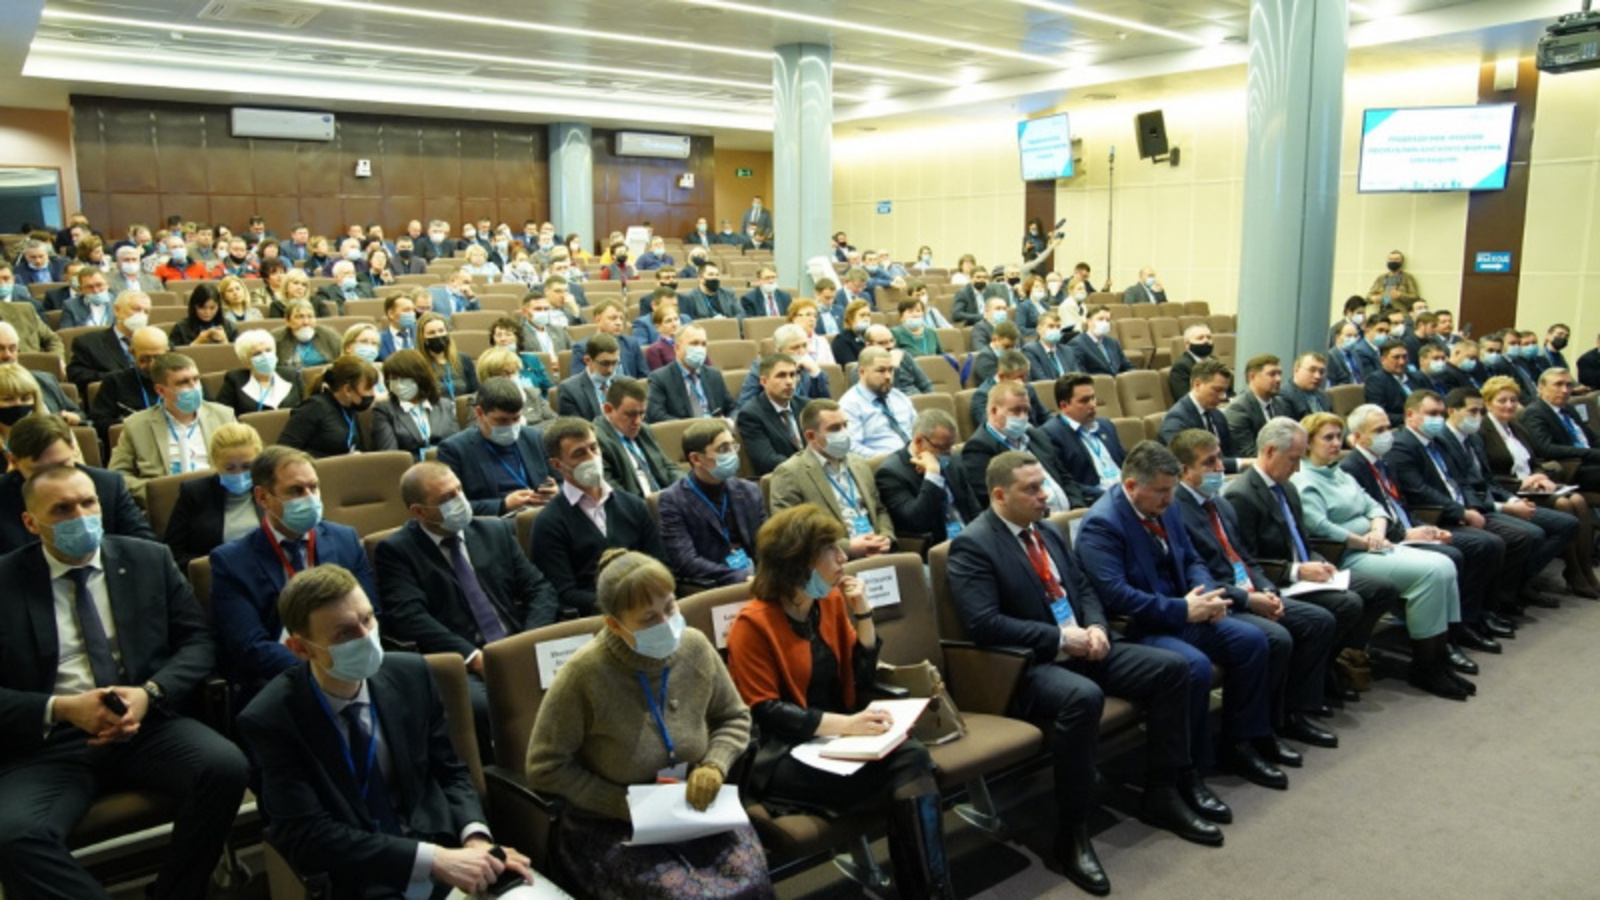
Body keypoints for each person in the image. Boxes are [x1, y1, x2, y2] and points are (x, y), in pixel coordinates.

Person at [949, 451, 1221, 894]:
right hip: (1025, 665)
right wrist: (1060, 639)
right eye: (1031, 489)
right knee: (1083, 697)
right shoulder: (974, 544)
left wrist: (1094, 625)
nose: (1044, 495)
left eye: (1043, 485)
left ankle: (1164, 789)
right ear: (999, 495)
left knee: (1172, 669)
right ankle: (1071, 831)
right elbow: (984, 624)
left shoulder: (1048, 532)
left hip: (1083, 645)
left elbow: (1083, 587)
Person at [0, 465, 251, 900]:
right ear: (30, 522)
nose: (80, 516)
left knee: (225, 767)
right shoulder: (6, 581)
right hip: (51, 742)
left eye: (88, 503)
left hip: (145, 724)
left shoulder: (146, 559)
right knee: (12, 836)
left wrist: (150, 694)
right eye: (62, 509)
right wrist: (61, 708)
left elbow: (196, 642)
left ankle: (176, 892)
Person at [236, 565, 550, 900]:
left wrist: (476, 841)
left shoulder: (411, 674)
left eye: (368, 618)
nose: (365, 636)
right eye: (344, 634)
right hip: (359, 875)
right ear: (301, 649)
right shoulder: (271, 718)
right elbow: (307, 834)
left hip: (445, 847)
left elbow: (451, 772)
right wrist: (433, 860)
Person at [726, 505, 955, 898]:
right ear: (798, 561)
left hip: (833, 739)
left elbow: (861, 676)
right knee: (913, 769)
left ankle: (927, 892)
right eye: (830, 550)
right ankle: (931, 892)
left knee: (911, 768)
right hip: (783, 755)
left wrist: (863, 613)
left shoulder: (828, 603)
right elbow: (766, 711)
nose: (843, 558)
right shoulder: (753, 622)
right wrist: (847, 726)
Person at [527, 550, 770, 899]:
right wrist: (621, 803)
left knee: (751, 880)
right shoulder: (584, 674)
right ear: (615, 625)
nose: (666, 623)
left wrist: (715, 765)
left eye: (670, 608)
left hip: (693, 803)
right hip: (612, 822)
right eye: (648, 618)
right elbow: (545, 767)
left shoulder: (695, 646)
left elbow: (733, 716)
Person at [1077, 441, 1290, 788]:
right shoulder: (1102, 524)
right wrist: (1183, 609)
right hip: (1142, 626)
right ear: (1131, 486)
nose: (1169, 499)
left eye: (1172, 490)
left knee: (1253, 640)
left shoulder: (1167, 507)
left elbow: (1192, 559)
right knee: (1194, 666)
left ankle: (1241, 742)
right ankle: (1190, 770)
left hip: (1186, 609)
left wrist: (1205, 597)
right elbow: (1116, 595)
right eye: (1160, 491)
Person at [1167, 429, 1340, 748]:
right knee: (1275, 638)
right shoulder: (1173, 510)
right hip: (1220, 601)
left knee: (1318, 621)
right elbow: (1195, 575)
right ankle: (1247, 737)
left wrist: (1265, 588)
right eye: (1209, 462)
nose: (1220, 467)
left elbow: (1245, 557)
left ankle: (1291, 714)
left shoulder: (1218, 503)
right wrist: (1249, 597)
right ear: (1183, 470)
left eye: (1219, 457)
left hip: (1249, 591)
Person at [1287, 413, 1472, 699]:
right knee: (1431, 572)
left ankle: (1439, 658)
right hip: (1347, 554)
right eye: (1328, 437)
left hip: (1375, 543)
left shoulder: (1339, 472)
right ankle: (1425, 666)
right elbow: (1321, 527)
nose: (1337, 443)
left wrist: (1377, 529)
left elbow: (1374, 507)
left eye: (1338, 436)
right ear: (1308, 443)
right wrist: (1364, 540)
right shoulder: (1302, 479)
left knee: (1445, 563)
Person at [375, 462, 559, 747]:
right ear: (418, 512)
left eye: (459, 490)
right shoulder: (396, 551)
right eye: (446, 499)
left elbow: (539, 588)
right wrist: (472, 657)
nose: (459, 501)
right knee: (484, 708)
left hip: (520, 642)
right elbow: (410, 617)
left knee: (578, 681)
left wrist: (529, 640)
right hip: (464, 659)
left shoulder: (493, 530)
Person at [1222, 420, 1399, 703]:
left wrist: (1319, 562)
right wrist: (1297, 570)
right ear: (1269, 451)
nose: (1298, 467)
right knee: (1346, 605)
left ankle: (1333, 661)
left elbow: (1302, 541)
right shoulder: (1240, 495)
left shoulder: (1288, 487)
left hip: (1306, 571)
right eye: (1293, 459)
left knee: (1381, 590)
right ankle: (1313, 681)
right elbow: (1246, 559)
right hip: (1279, 580)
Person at [1342, 403, 1515, 649]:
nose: (1387, 434)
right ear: (1358, 437)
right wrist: (1406, 533)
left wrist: (1428, 528)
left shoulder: (1384, 462)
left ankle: (1465, 623)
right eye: (1379, 430)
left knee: (1481, 546)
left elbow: (1402, 505)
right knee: (1456, 554)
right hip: (1388, 539)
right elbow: (1369, 517)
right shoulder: (1352, 468)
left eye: (1388, 428)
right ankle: (1445, 635)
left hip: (1409, 528)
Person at [210, 445, 379, 695]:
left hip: (354, 666)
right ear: (263, 497)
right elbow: (249, 646)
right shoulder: (232, 562)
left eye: (314, 487)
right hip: (281, 684)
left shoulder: (345, 540)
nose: (310, 498)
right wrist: (322, 669)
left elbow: (373, 611)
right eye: (296, 491)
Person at [1388, 389, 1562, 613]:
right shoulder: (1403, 445)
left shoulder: (1437, 441)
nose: (1438, 419)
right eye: (1432, 413)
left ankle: (1492, 606)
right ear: (1410, 415)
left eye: (1441, 414)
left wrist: (1472, 507)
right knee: (1493, 543)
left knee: (1523, 536)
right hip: (1436, 515)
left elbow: (1463, 480)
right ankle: (1475, 614)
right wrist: (1461, 512)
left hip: (1465, 508)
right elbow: (1420, 492)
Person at [1440, 388, 1584, 597]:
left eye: (1481, 412)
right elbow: (1464, 486)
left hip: (1497, 497)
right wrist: (1504, 506)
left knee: (1568, 524)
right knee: (1531, 534)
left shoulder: (1473, 439)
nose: (1478, 417)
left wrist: (1514, 500)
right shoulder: (1444, 441)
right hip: (1476, 507)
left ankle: (1517, 583)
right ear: (1452, 411)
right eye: (1473, 411)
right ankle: (1507, 592)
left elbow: (1486, 480)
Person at [530, 417, 665, 616]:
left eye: (594, 448)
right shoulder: (548, 523)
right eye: (579, 454)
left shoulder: (633, 505)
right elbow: (564, 592)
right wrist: (623, 605)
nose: (591, 458)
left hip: (650, 604)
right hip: (596, 617)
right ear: (557, 465)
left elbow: (661, 563)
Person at [1479, 375, 1600, 593]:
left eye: (1513, 400)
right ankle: (1574, 572)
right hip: (1509, 490)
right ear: (1488, 402)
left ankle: (1584, 571)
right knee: (1564, 504)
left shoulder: (1515, 427)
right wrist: (1522, 482)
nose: (1509, 405)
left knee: (1577, 500)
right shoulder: (1482, 431)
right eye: (1502, 400)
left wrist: (1540, 476)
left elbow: (1536, 461)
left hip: (1534, 486)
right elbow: (1486, 475)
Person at [0, 414, 155, 554]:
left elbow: (144, 544)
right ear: (13, 461)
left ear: (73, 449)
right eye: (40, 472)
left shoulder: (108, 484)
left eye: (62, 465)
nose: (56, 478)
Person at [769, 399, 896, 559]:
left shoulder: (859, 463)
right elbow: (791, 534)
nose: (844, 433)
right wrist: (848, 547)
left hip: (879, 553)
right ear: (811, 436)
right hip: (833, 562)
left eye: (845, 425)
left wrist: (885, 538)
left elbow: (879, 509)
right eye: (835, 428)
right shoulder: (789, 473)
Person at [107, 352, 236, 503]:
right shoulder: (136, 425)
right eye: (183, 382)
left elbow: (248, 460)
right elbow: (118, 475)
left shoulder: (223, 415)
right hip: (167, 503)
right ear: (161, 391)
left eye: (196, 379)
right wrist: (157, 491)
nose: (193, 387)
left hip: (217, 496)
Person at [658, 420, 767, 591]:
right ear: (696, 459)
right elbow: (687, 562)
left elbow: (768, 542)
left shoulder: (749, 490)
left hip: (759, 579)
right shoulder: (673, 501)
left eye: (733, 446)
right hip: (713, 586)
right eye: (723, 449)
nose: (732, 454)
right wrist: (740, 578)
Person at [437, 377, 559, 516]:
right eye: (501, 420)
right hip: (496, 524)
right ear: (479, 413)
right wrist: (503, 505)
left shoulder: (535, 438)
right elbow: (453, 506)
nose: (510, 426)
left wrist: (557, 492)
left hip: (542, 515)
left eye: (516, 419)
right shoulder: (454, 449)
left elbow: (563, 482)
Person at [162, 422, 262, 570]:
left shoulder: (271, 488)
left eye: (247, 467)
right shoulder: (194, 493)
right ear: (215, 462)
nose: (238, 474)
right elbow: (174, 553)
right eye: (229, 468)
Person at [873, 407, 972, 547]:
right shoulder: (891, 474)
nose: (949, 453)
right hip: (934, 548)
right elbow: (916, 522)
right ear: (919, 441)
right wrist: (932, 475)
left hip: (969, 539)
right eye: (943, 448)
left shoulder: (953, 459)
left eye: (951, 446)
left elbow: (974, 508)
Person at [1041, 372, 1127, 503]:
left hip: (1127, 492)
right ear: (1064, 406)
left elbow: (1125, 462)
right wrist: (1110, 495)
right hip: (1097, 501)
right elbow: (1066, 484)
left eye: (1093, 398)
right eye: (1084, 400)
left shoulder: (1106, 426)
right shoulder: (1050, 434)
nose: (1093, 405)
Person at [592, 377, 680, 497]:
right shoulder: (596, 441)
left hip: (666, 502)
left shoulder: (644, 430)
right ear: (608, 409)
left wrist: (686, 490)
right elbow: (615, 493)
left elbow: (668, 467)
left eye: (642, 413)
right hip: (638, 509)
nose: (638, 421)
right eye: (630, 414)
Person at [1518, 367, 1600, 491]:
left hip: (1590, 462)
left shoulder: (1568, 409)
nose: (1565, 390)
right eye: (1558, 384)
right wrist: (1592, 453)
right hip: (1570, 467)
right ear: (1541, 387)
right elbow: (1546, 448)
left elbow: (1592, 439)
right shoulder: (1534, 412)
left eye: (1569, 385)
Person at [280, 355, 378, 458]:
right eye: (368, 389)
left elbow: (357, 446)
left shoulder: (350, 408)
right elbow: (284, 452)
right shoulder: (314, 407)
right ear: (348, 390)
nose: (372, 394)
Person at [1159, 358, 1247, 472]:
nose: (1223, 397)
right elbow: (1193, 462)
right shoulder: (1176, 419)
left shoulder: (1218, 415)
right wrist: (1244, 463)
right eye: (1217, 390)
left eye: (1225, 391)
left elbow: (1231, 452)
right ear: (1197, 384)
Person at [372, 349, 459, 459]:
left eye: (403, 378)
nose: (398, 385)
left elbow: (456, 447)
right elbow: (391, 457)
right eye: (393, 379)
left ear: (420, 377)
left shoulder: (445, 405)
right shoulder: (384, 411)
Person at [737, 353, 808, 478]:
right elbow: (766, 459)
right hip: (782, 480)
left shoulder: (806, 406)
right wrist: (807, 468)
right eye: (781, 376)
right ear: (764, 381)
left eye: (793, 375)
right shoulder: (750, 414)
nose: (789, 382)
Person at [645, 324, 732, 422]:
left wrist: (729, 421)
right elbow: (656, 415)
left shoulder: (714, 375)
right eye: (694, 343)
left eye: (703, 344)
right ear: (677, 348)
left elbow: (732, 408)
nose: (700, 349)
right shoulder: (660, 378)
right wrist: (690, 427)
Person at [838, 346, 915, 457]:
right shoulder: (850, 404)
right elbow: (852, 447)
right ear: (862, 372)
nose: (888, 376)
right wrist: (887, 460)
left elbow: (917, 430)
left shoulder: (898, 396)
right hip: (882, 466)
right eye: (881, 371)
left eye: (890, 370)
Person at [67, 289, 151, 389]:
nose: (141, 315)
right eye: (136, 309)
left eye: (146, 312)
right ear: (117, 310)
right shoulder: (88, 343)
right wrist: (122, 377)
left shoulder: (157, 341)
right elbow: (77, 376)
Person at [0, 326, 83, 424]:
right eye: (0, 349)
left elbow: (80, 415)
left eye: (12, 348)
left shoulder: (45, 380)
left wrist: (72, 418)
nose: (7, 355)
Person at [737, 324, 831, 406]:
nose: (802, 352)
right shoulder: (760, 368)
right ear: (779, 351)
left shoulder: (810, 368)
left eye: (804, 346)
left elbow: (825, 406)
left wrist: (815, 373)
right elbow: (745, 403)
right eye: (795, 348)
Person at [217, 328, 302, 417]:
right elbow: (222, 415)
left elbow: (308, 408)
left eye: (268, 350)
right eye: (257, 354)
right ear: (246, 361)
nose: (265, 356)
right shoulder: (234, 380)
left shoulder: (292, 376)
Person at [476, 346, 557, 426]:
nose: (512, 378)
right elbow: (478, 433)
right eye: (506, 374)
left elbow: (555, 422)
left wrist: (525, 428)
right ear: (489, 377)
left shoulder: (531, 393)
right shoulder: (478, 401)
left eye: (514, 372)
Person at [1224, 354, 1284, 457]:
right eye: (1272, 374)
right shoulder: (1239, 409)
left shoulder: (1280, 404)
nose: (1279, 379)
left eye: (1279, 374)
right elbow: (1248, 452)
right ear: (1252, 377)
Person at [274, 300, 343, 371]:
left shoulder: (329, 336)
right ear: (287, 321)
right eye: (300, 317)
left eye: (310, 317)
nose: (306, 322)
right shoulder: (277, 339)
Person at [1067, 305, 1134, 376]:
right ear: (1088, 321)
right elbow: (1080, 373)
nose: (1104, 323)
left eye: (1107, 320)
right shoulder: (1077, 344)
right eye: (1100, 319)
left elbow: (1126, 365)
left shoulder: (1112, 342)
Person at [168, 284, 235, 346]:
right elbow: (174, 356)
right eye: (202, 308)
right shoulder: (181, 328)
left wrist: (224, 341)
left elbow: (238, 354)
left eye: (212, 308)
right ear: (194, 306)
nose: (207, 312)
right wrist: (197, 342)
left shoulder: (228, 326)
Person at [1277, 351, 1333, 420]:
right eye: (1312, 370)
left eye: (1321, 372)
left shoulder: (1323, 396)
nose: (1318, 376)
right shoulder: (1283, 397)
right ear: (1296, 370)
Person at [785, 298, 836, 363]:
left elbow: (831, 369)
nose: (812, 319)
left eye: (815, 316)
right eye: (808, 315)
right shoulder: (786, 341)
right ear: (793, 318)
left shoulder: (822, 341)